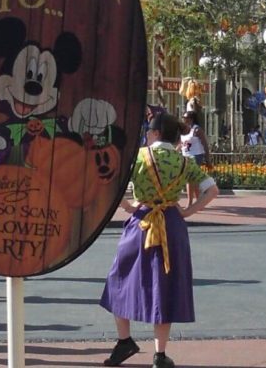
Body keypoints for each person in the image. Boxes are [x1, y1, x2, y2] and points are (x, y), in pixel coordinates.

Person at [100, 112, 219, 368]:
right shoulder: (184, 161)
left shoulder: (139, 156)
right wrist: (187, 211)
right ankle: (160, 355)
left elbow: (109, 182)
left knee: (119, 279)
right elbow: (212, 190)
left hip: (141, 222)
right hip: (171, 225)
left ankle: (124, 341)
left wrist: (128, 206)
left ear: (153, 133)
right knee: (164, 286)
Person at [180, 110, 210, 208]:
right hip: (185, 156)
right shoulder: (183, 130)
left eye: (185, 118)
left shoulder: (196, 130)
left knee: (190, 179)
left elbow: (205, 144)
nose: (184, 119)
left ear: (191, 119)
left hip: (196, 155)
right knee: (194, 180)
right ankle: (199, 201)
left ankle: (190, 202)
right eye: (183, 118)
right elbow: (181, 144)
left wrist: (207, 159)